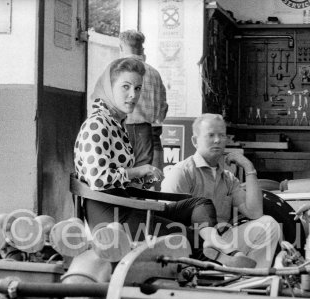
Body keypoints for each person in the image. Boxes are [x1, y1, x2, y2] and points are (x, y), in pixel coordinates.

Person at [74, 58, 254, 268]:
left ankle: (222, 247)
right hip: (113, 216)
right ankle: (222, 263)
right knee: (187, 237)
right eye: (125, 87)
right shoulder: (97, 125)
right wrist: (138, 170)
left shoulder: (115, 123)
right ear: (108, 87)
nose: (133, 95)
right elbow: (98, 179)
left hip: (125, 202)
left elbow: (119, 180)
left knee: (200, 203)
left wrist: (142, 179)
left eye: (138, 88)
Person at [161, 114, 281, 268]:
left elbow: (255, 213)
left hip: (224, 241)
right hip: (193, 244)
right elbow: (168, 222)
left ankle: (250, 282)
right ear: (195, 141)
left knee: (268, 224)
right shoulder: (182, 173)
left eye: (222, 135)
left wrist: (249, 168)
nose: (217, 140)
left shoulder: (228, 178)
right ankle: (231, 275)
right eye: (210, 135)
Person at [119, 30, 168, 171]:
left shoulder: (118, 71)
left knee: (129, 184)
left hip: (126, 133)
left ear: (121, 47)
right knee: (151, 185)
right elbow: (163, 108)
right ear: (142, 49)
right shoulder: (154, 73)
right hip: (153, 135)